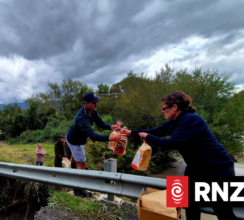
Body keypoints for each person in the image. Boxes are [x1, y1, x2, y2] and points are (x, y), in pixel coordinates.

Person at [123, 92, 236, 220]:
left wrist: (148, 137)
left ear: (175, 107)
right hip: (194, 167)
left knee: (223, 213)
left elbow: (172, 143)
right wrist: (131, 132)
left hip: (217, 168)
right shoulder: (173, 122)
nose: (162, 111)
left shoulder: (191, 119)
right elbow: (155, 131)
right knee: (189, 206)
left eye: (164, 108)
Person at [66, 92, 127, 197]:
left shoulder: (92, 110)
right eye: (94, 103)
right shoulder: (81, 118)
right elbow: (93, 136)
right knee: (82, 164)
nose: (96, 105)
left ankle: (73, 171)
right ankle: (78, 190)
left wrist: (110, 127)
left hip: (72, 137)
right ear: (86, 103)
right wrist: (111, 137)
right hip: (75, 141)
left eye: (96, 102)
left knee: (76, 159)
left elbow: (100, 122)